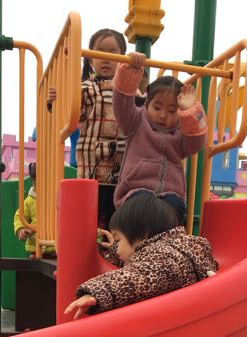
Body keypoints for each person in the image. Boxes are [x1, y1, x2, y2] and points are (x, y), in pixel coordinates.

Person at [64, 192, 218, 319]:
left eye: (118, 240)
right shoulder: (175, 251)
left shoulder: (166, 260)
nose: (117, 249)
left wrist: (98, 291)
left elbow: (137, 278)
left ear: (142, 236)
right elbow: (140, 262)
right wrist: (114, 248)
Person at [112, 52, 207, 223]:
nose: (163, 115)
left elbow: (195, 144)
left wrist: (189, 111)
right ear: (147, 103)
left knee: (175, 211)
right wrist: (130, 71)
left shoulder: (181, 131)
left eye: (172, 110)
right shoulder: (135, 122)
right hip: (135, 191)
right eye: (157, 107)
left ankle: (168, 240)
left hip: (170, 194)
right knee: (143, 209)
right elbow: (121, 103)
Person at [76, 28, 127, 184]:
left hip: (121, 166)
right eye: (100, 52)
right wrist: (55, 102)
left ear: (122, 60)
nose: (106, 58)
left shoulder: (128, 90)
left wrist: (136, 64)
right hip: (91, 163)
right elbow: (68, 114)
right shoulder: (86, 88)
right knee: (90, 198)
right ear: (91, 60)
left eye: (112, 53)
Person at [14, 162, 37, 257]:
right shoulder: (30, 200)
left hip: (56, 247)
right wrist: (21, 229)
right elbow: (20, 216)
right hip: (36, 247)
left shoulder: (58, 198)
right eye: (36, 183)